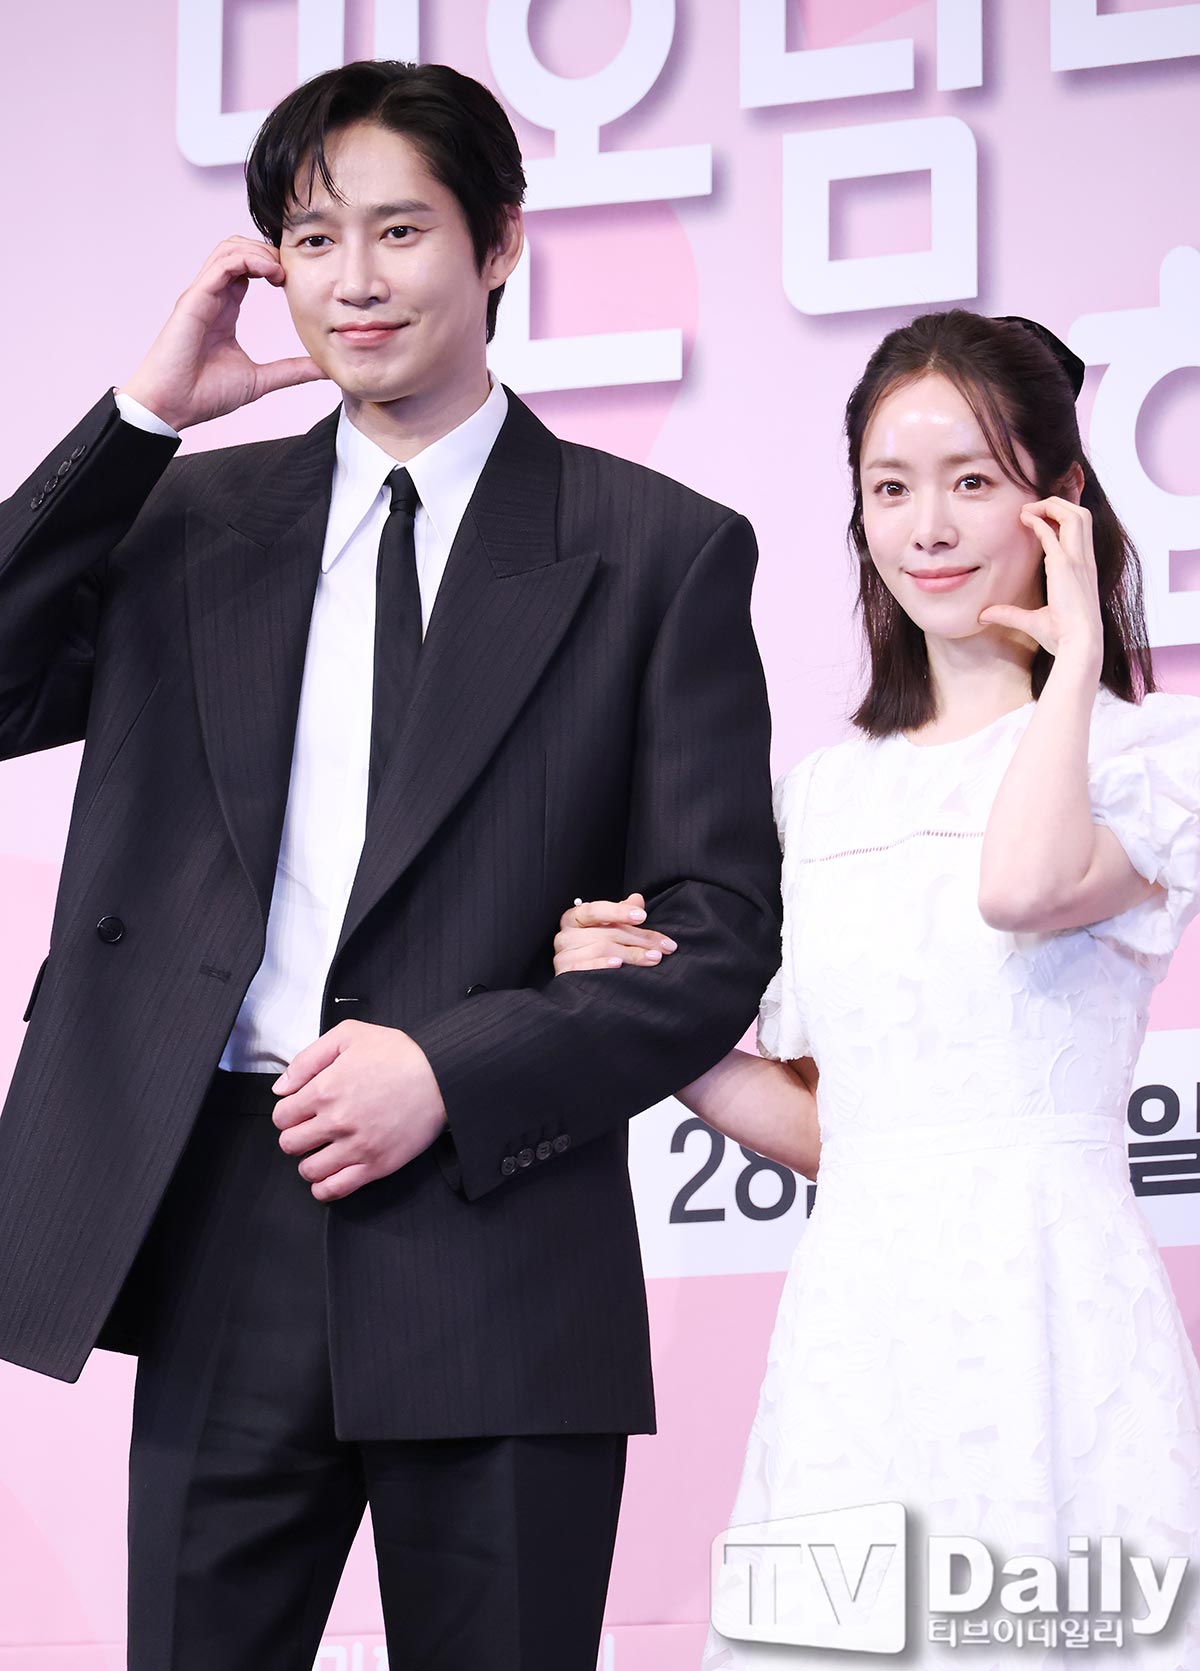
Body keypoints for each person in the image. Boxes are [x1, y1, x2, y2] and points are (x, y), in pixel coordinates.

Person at [0, 59, 783, 1670]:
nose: (352, 278)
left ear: (499, 243)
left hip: (504, 1230)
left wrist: (452, 1067)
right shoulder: (182, 523)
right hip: (219, 1215)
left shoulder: (658, 549)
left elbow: (718, 931)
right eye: (310, 237)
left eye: (399, 230)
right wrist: (143, 420)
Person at [556, 310, 1200, 1667]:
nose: (931, 529)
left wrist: (1076, 663)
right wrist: (650, 1018)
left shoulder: (1148, 755)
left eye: (973, 481)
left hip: (1052, 1322)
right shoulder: (826, 795)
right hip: (860, 1329)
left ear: (1061, 502)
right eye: (891, 490)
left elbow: (1023, 886)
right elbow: (834, 1127)